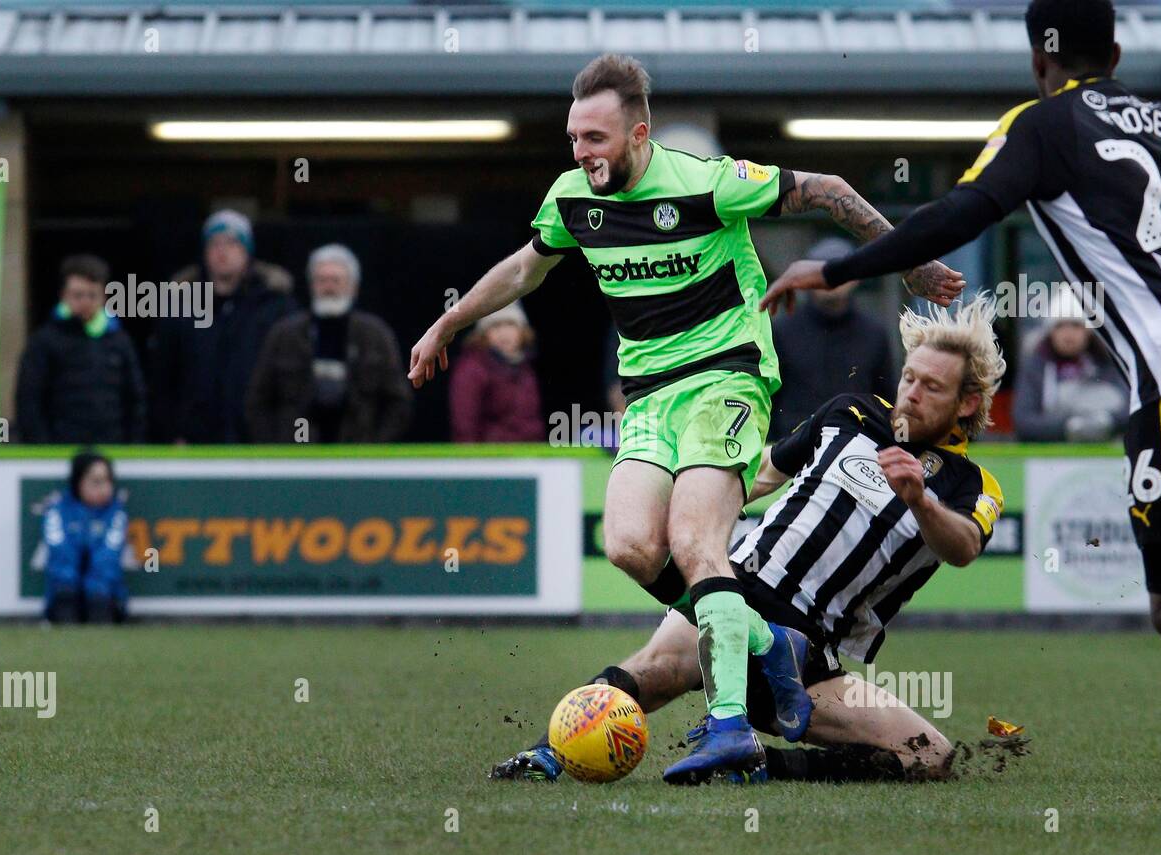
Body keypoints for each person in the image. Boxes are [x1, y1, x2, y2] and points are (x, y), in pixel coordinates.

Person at [408, 52, 965, 781]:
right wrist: (446, 325)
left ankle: (730, 727)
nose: (581, 153)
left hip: (726, 379)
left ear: (638, 134)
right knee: (630, 546)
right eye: (574, 138)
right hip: (649, 397)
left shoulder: (708, 183)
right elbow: (522, 269)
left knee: (697, 541)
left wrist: (911, 264)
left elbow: (829, 191)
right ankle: (763, 639)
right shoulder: (573, 199)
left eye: (595, 139)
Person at [760, 0, 1161, 720]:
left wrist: (838, 268)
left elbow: (967, 208)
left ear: (1039, 61)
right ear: (1116, 56)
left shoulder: (1044, 124)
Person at [493, 296, 1006, 784]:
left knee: (930, 755)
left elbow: (962, 547)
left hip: (810, 657)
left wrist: (921, 500)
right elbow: (759, 472)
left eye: (931, 387)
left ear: (967, 403)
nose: (911, 393)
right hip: (739, 588)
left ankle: (759, 765)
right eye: (909, 377)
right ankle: (546, 751)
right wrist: (686, 495)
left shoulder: (973, 486)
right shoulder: (851, 412)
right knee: (655, 668)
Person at [149, 209, 296, 443]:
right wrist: (173, 433)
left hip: (258, 441)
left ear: (247, 251)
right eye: (215, 244)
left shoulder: (275, 308)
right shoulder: (179, 307)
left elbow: (290, 381)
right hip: (194, 443)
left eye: (232, 243)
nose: (222, 251)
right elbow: (162, 379)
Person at [246, 244, 412, 443]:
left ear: (353, 287)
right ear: (311, 285)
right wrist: (276, 449)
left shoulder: (375, 336)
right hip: (298, 449)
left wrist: (374, 447)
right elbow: (258, 400)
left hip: (357, 452)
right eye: (322, 280)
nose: (329, 287)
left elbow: (398, 403)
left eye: (336, 280)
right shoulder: (284, 335)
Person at [770, 236, 895, 437]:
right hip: (791, 445)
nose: (831, 281)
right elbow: (769, 396)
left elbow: (887, 400)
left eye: (839, 272)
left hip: (857, 443)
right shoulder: (782, 330)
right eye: (824, 272)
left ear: (856, 278)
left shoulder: (874, 334)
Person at [15, 255, 146, 444]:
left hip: (112, 449)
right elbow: (29, 400)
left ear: (104, 297)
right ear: (64, 295)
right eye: (78, 295)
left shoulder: (120, 341)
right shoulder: (43, 342)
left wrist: (133, 445)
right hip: (58, 451)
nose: (85, 301)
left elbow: (135, 398)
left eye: (92, 295)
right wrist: (42, 447)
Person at [1013, 285, 1129, 441]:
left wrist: (1107, 422)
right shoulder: (1036, 369)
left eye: (1076, 325)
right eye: (1060, 326)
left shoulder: (1110, 365)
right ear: (1050, 331)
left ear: (1088, 331)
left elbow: (1132, 410)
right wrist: (1068, 427)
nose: (1068, 334)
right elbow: (1024, 422)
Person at [42, 450, 129, 625]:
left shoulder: (116, 513)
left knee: (99, 599)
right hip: (65, 593)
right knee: (65, 596)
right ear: (78, 482)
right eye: (96, 482)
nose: (105, 488)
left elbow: (108, 557)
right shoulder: (57, 510)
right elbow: (61, 555)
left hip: (103, 594)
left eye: (108, 481)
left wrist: (95, 589)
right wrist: (70, 587)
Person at [448, 301, 544, 443]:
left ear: (522, 331)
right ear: (483, 334)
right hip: (491, 454)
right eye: (496, 326)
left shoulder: (525, 368)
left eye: (510, 324)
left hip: (530, 452)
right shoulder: (471, 369)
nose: (504, 333)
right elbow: (464, 427)